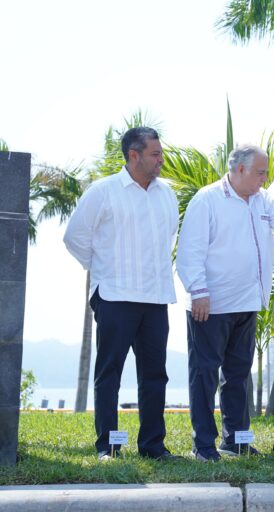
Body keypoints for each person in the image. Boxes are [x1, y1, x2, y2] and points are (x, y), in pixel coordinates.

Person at [176, 144, 274, 462]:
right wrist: (198, 292)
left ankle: (236, 439)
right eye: (260, 172)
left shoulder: (263, 201)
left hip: (247, 303)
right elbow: (189, 251)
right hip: (211, 304)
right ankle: (203, 445)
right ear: (239, 170)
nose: (265, 178)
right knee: (204, 374)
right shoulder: (207, 199)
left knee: (237, 375)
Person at [63, 127, 179, 461]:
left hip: (156, 298)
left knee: (155, 374)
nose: (161, 159)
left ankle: (153, 446)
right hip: (114, 296)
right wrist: (104, 269)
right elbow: (75, 238)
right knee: (110, 373)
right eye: (155, 154)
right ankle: (108, 446)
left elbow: (168, 236)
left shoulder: (166, 194)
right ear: (134, 155)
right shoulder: (103, 191)